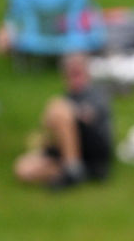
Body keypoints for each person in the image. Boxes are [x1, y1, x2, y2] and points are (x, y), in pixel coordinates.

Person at [13, 53, 112, 189]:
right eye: (71, 74)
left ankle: (73, 169)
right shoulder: (67, 97)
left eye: (78, 73)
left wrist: (61, 113)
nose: (75, 78)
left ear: (87, 73)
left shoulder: (96, 94)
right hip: (67, 153)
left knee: (58, 107)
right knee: (23, 168)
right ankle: (78, 172)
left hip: (93, 151)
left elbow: (89, 116)